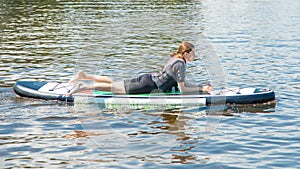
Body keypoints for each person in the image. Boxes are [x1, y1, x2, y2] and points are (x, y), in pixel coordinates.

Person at [66, 42, 213, 96]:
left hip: (147, 80)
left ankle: (85, 76)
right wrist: (201, 89)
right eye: (193, 52)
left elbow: (181, 83)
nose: (195, 55)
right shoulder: (180, 64)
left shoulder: (176, 59)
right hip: (147, 85)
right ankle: (83, 86)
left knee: (114, 84)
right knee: (113, 88)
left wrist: (201, 86)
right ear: (186, 53)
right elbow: (183, 90)